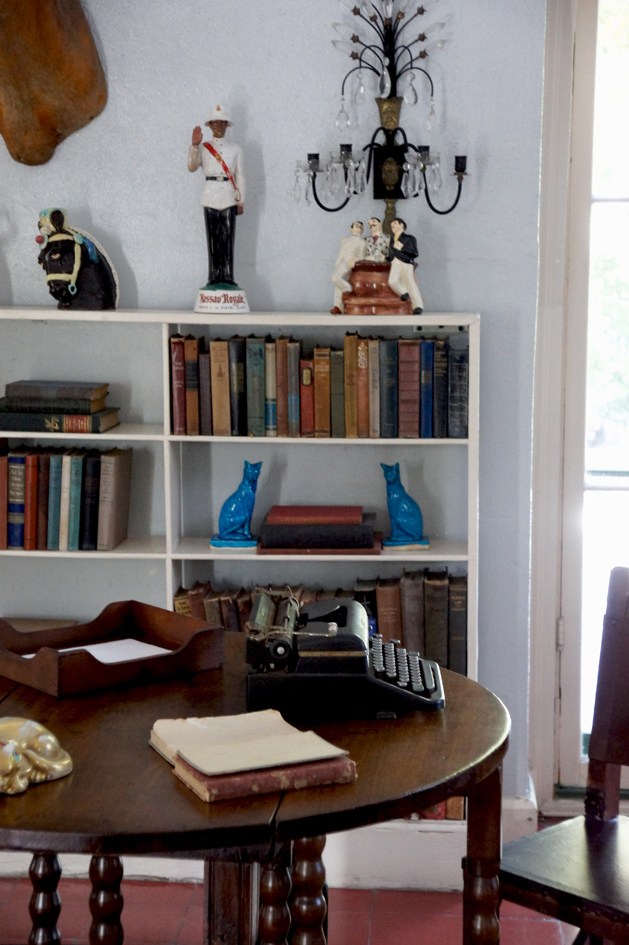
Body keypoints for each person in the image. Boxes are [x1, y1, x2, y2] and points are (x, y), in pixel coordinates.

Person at [188, 105, 245, 287]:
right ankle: (213, 276)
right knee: (212, 239)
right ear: (210, 125)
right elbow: (191, 166)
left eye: (222, 122)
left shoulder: (236, 149)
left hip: (229, 195)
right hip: (210, 194)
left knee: (228, 238)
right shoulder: (204, 148)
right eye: (215, 122)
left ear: (227, 125)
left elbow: (241, 176)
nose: (218, 126)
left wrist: (241, 200)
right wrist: (194, 145)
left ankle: (227, 276)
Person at [330, 220, 369, 314]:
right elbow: (342, 251)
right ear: (351, 228)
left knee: (335, 278)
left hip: (349, 262)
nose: (359, 226)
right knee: (338, 284)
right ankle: (338, 306)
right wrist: (338, 261)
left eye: (361, 226)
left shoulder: (362, 242)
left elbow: (362, 256)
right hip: (341, 261)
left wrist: (355, 259)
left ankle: (348, 290)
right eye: (357, 225)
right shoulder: (345, 239)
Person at [388, 217, 424, 314]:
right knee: (392, 281)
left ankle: (418, 305)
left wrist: (402, 248)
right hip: (395, 261)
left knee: (410, 282)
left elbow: (414, 253)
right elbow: (390, 254)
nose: (393, 226)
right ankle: (403, 292)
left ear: (402, 225)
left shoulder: (409, 238)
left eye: (395, 223)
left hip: (406, 262)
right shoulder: (391, 240)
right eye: (392, 225)